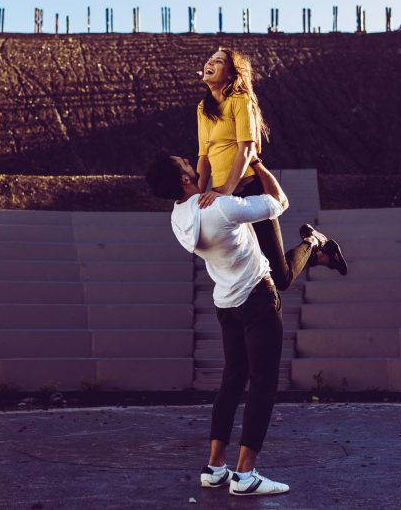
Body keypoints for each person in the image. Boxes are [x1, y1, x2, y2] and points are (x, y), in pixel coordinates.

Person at [146, 150, 344, 497]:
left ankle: (215, 467)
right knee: (263, 384)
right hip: (257, 299)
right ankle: (246, 474)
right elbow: (278, 202)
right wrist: (256, 164)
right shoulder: (221, 208)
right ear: (184, 180)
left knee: (233, 381)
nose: (196, 167)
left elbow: (203, 182)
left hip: (226, 303)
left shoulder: (178, 219)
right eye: (190, 167)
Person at [196, 47, 346, 289]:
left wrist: (225, 191)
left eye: (219, 61)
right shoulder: (203, 109)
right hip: (224, 197)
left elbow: (246, 151)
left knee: (280, 278)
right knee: (249, 269)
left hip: (249, 190)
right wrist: (194, 197)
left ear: (232, 74)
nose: (210, 62)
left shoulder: (240, 101)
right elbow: (203, 158)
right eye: (210, 58)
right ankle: (320, 257)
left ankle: (312, 242)